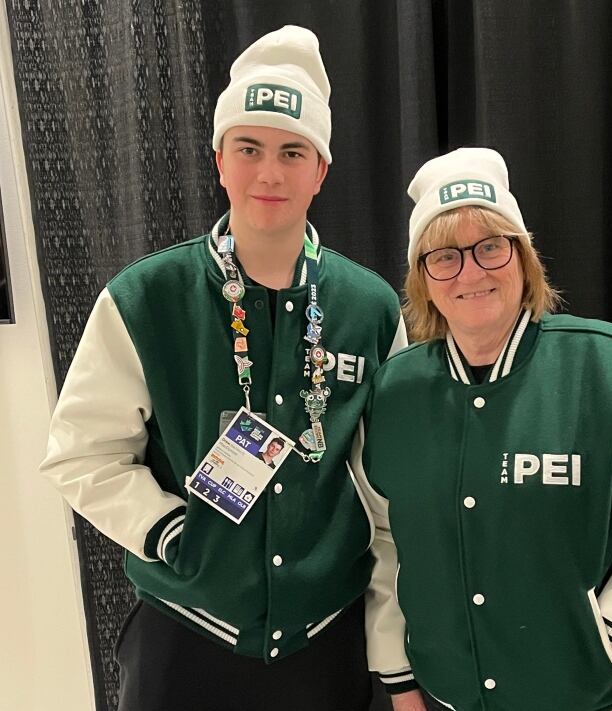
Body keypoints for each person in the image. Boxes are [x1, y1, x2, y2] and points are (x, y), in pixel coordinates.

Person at [40, 25, 406, 711]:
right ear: (219, 159)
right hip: (186, 641)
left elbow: (387, 483)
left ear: (321, 169)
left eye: (293, 152)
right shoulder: (145, 298)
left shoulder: (371, 307)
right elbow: (80, 454)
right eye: (250, 148)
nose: (270, 173)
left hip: (326, 640)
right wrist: (168, 531)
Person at [353, 147, 612, 711]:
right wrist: (399, 676)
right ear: (423, 279)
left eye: (490, 247)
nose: (471, 272)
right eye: (443, 256)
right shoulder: (395, 393)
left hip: (602, 698)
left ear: (523, 257)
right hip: (449, 699)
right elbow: (387, 536)